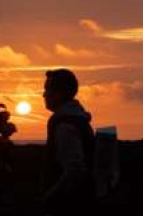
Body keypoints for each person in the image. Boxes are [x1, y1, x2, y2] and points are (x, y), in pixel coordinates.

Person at [41, 69, 95, 216]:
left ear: (59, 93)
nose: (44, 94)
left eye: (47, 89)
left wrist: (51, 196)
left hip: (68, 205)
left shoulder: (65, 126)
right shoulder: (77, 119)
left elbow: (75, 169)